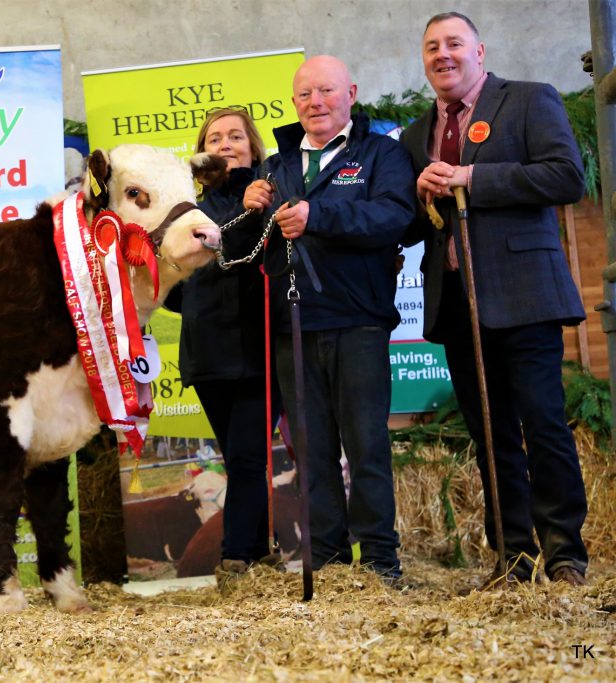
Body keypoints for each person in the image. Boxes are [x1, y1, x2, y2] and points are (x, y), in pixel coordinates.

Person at [399, 12, 589, 587]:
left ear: (479, 50)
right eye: (432, 47)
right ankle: (514, 555)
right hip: (458, 303)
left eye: (454, 43)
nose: (443, 55)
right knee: (490, 433)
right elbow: (408, 227)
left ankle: (564, 554)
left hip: (525, 297)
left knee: (544, 424)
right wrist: (419, 192)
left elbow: (565, 177)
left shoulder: (530, 100)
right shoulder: (413, 136)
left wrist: (472, 179)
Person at [241, 55, 416, 584]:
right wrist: (251, 210)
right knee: (312, 452)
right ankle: (332, 563)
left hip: (359, 319)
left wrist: (321, 215)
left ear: (351, 93)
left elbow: (395, 216)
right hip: (294, 325)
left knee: (366, 445)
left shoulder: (381, 153)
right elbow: (254, 252)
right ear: (293, 102)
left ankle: (382, 563)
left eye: (326, 91)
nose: (315, 102)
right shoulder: (275, 165)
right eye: (304, 94)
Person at [164, 107, 282, 587]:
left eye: (236, 136)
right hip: (208, 351)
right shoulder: (185, 211)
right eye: (215, 138)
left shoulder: (272, 193)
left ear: (254, 148)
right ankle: (255, 551)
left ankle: (236, 558)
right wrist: (194, 299)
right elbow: (169, 280)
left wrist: (259, 206)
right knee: (238, 456)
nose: (226, 144)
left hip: (259, 346)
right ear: (202, 155)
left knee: (250, 454)